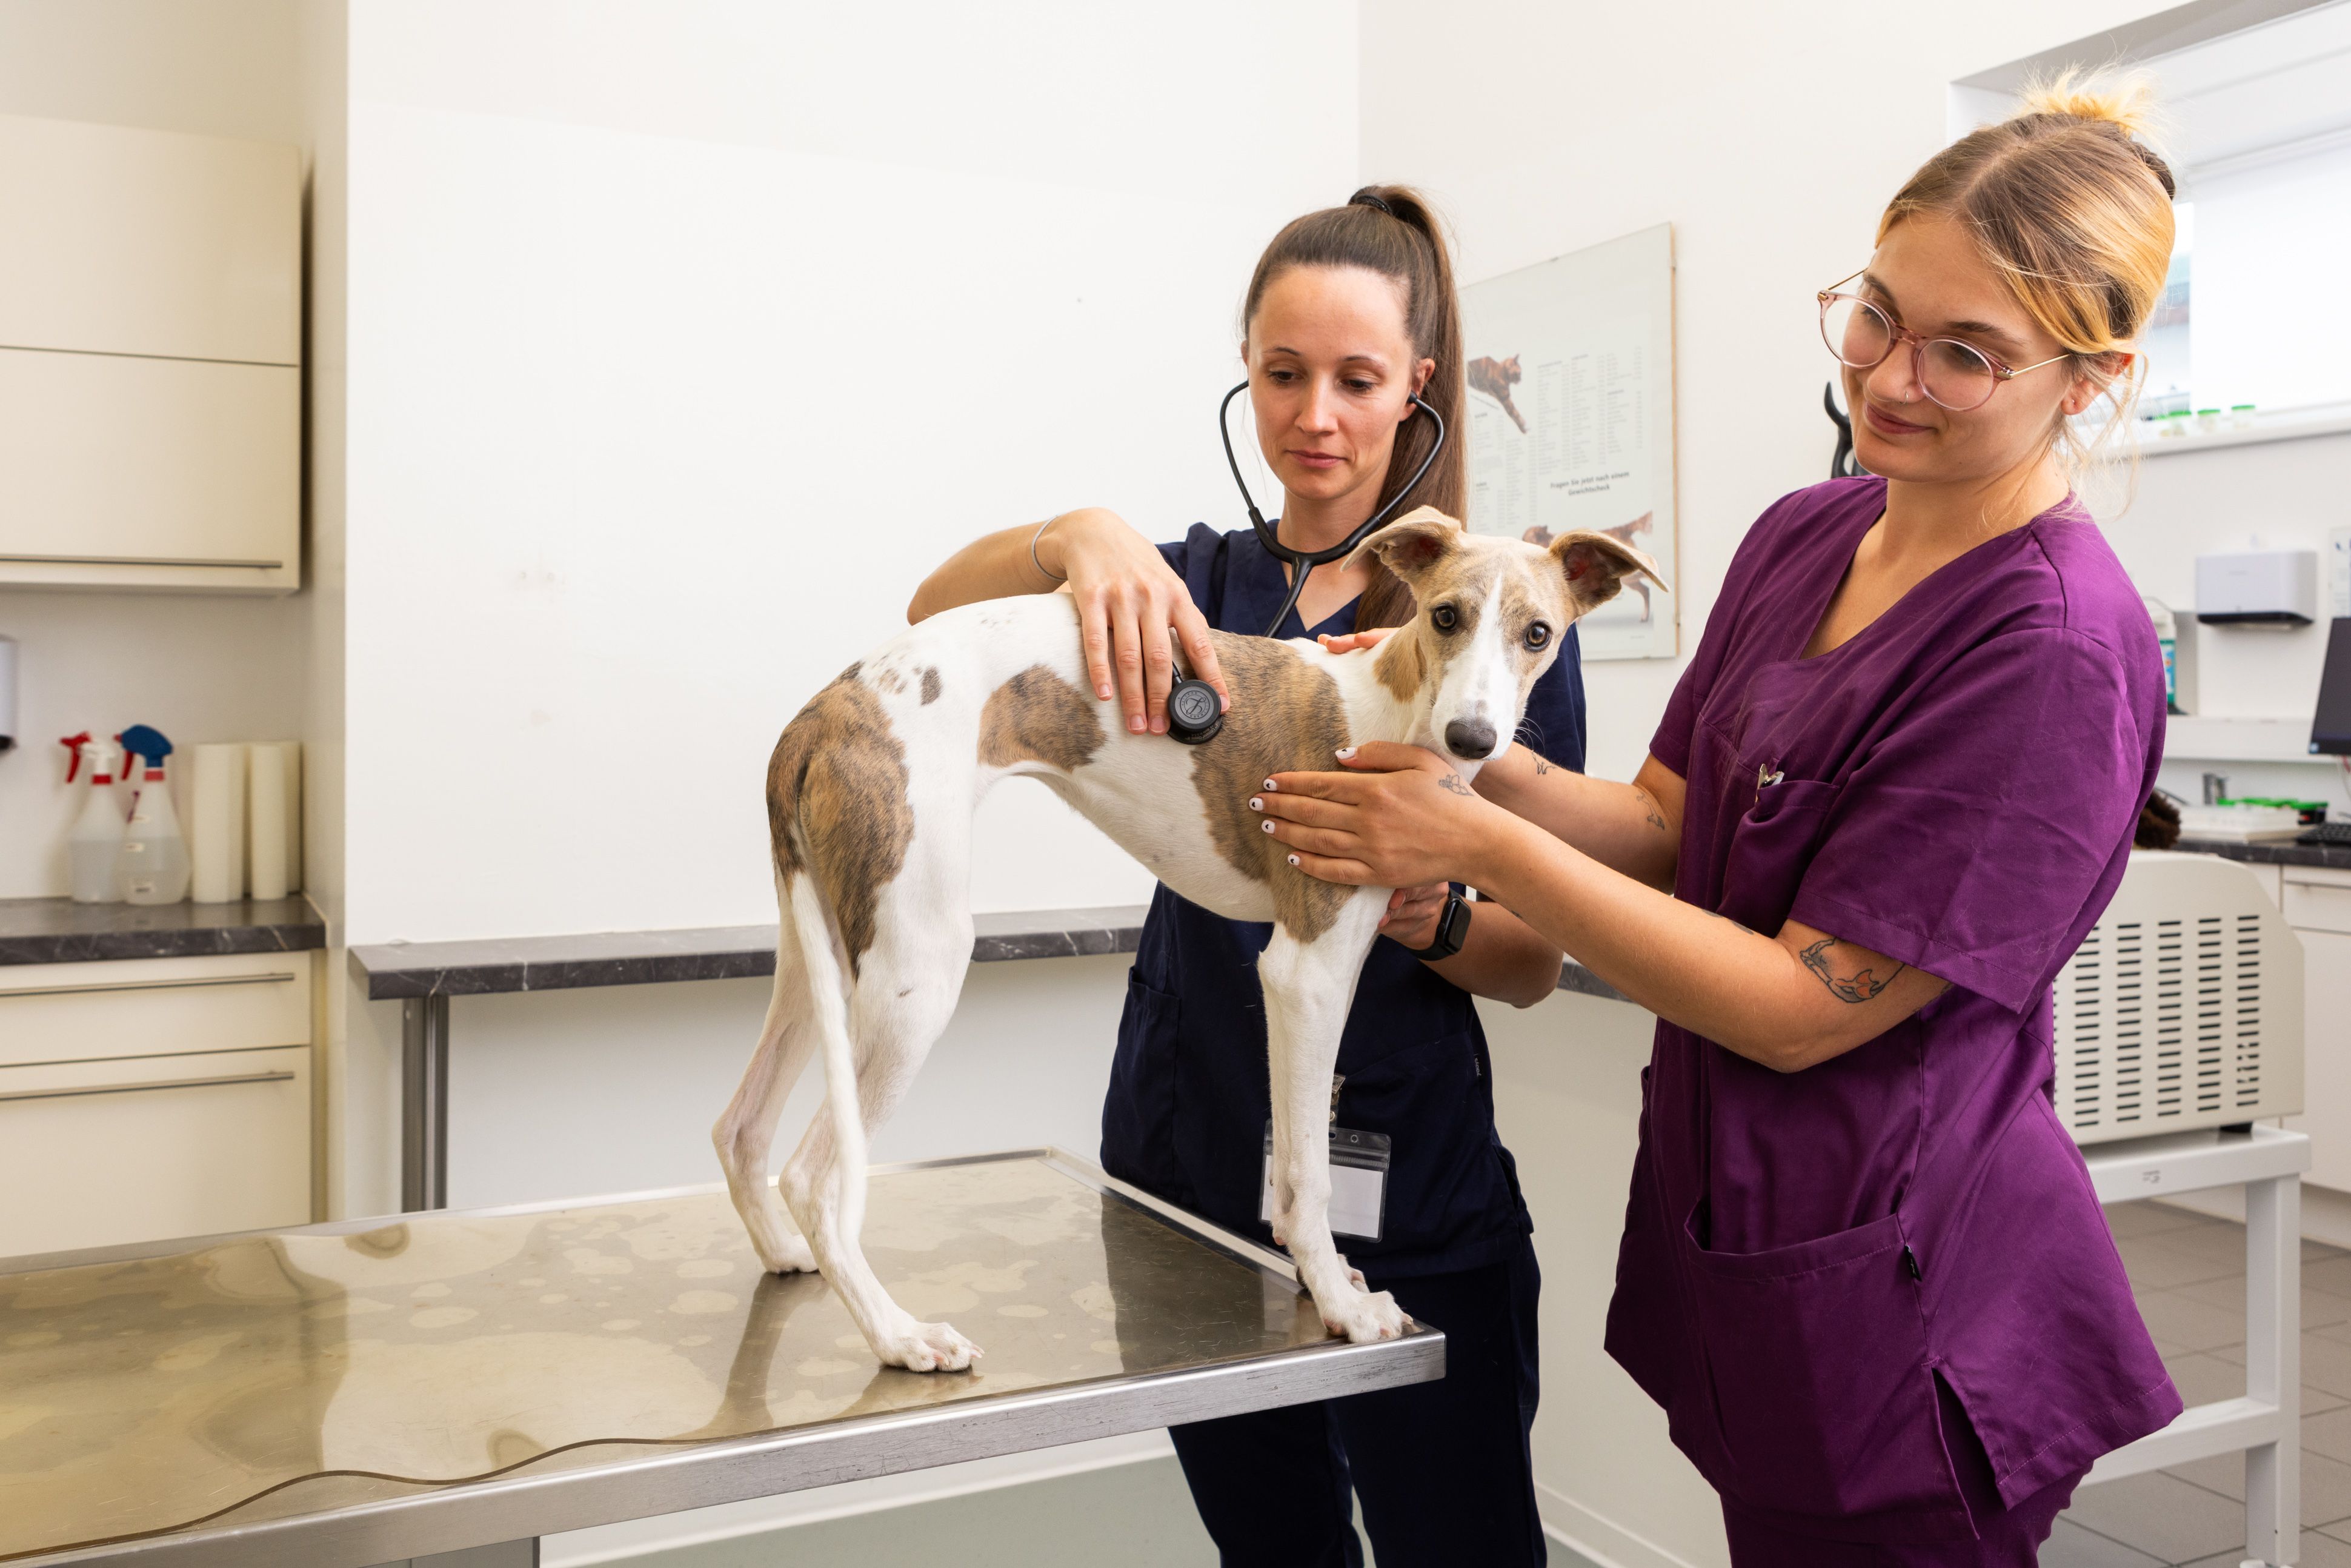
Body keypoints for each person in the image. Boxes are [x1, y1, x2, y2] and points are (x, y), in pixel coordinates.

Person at [1252, 81, 2183, 1563]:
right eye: (1875, 314)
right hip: (1751, 1242)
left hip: (1907, 1290)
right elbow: (1663, 824)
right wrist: (1443, 726)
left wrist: (1477, 848)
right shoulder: (1809, 533)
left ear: (2088, 377)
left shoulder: (2050, 648)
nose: (1888, 378)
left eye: (1965, 354)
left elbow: (1806, 1008)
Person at [909, 186, 1575, 1566]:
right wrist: (1074, 535)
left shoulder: (1494, 634)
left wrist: (1422, 895)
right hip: (1185, 1181)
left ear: (1418, 388)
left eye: (1354, 379)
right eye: (1281, 375)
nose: (1314, 416)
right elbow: (936, 614)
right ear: (1246, 377)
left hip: (1408, 1196)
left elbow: (1527, 962)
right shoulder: (1183, 591)